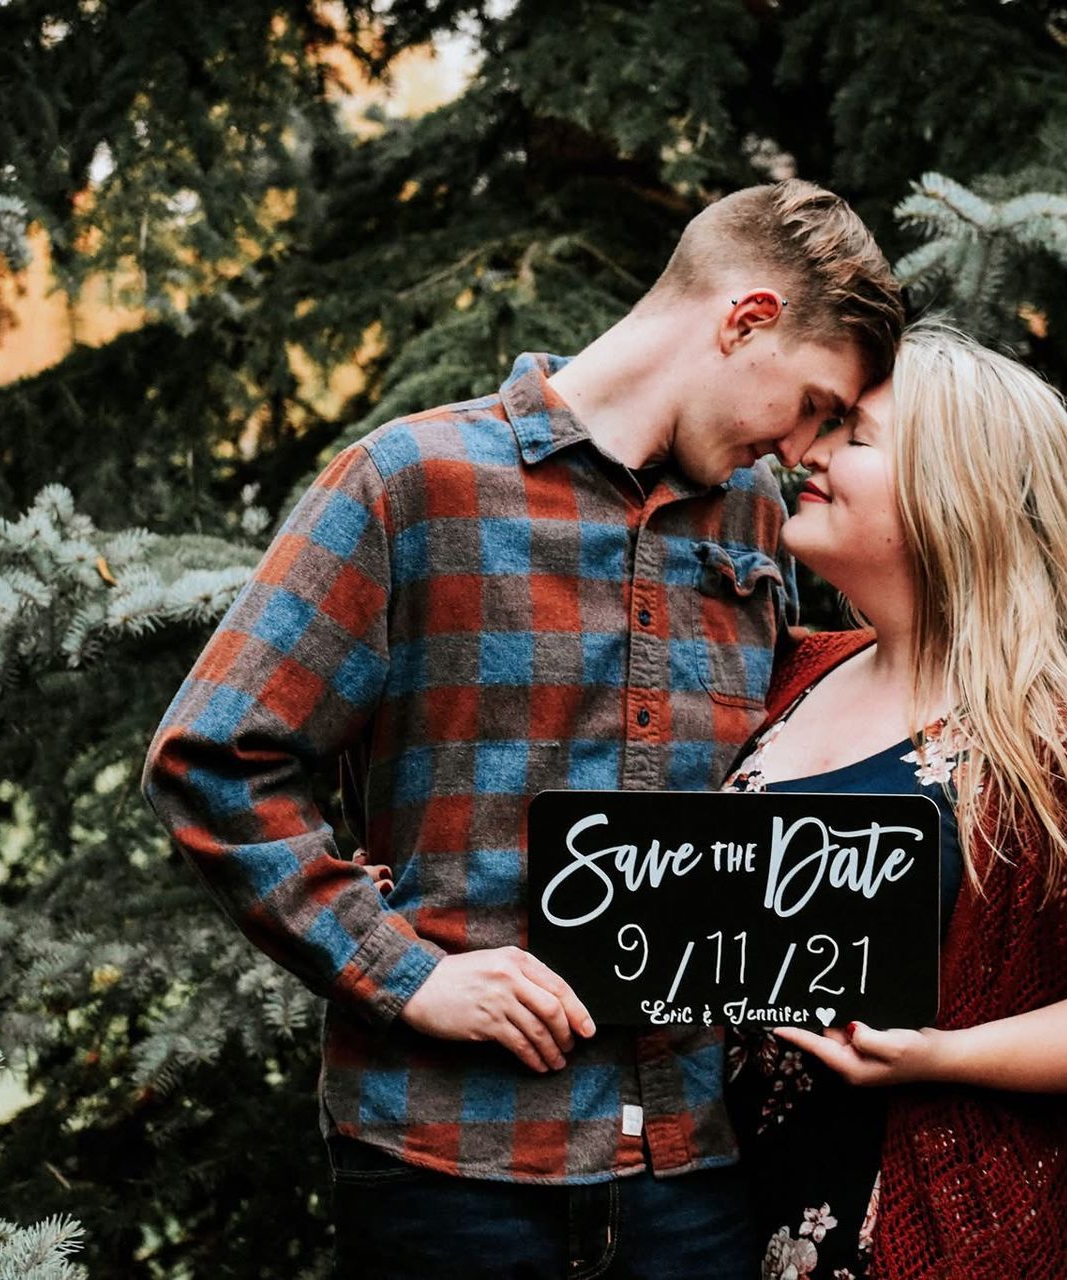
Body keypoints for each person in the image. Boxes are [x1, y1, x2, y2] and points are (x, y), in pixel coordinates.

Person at [139, 178, 905, 1280]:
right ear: (746, 322)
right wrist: (409, 974)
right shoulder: (410, 483)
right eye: (816, 403)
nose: (804, 447)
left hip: (697, 1175)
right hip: (447, 1166)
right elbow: (216, 755)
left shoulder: (760, 527)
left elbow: (833, 727)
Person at [719, 320, 1067, 1280]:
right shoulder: (790, 670)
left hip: (903, 1233)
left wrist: (941, 1056)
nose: (809, 453)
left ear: (956, 496)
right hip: (707, 1216)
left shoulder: (1062, 738)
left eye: (857, 437)